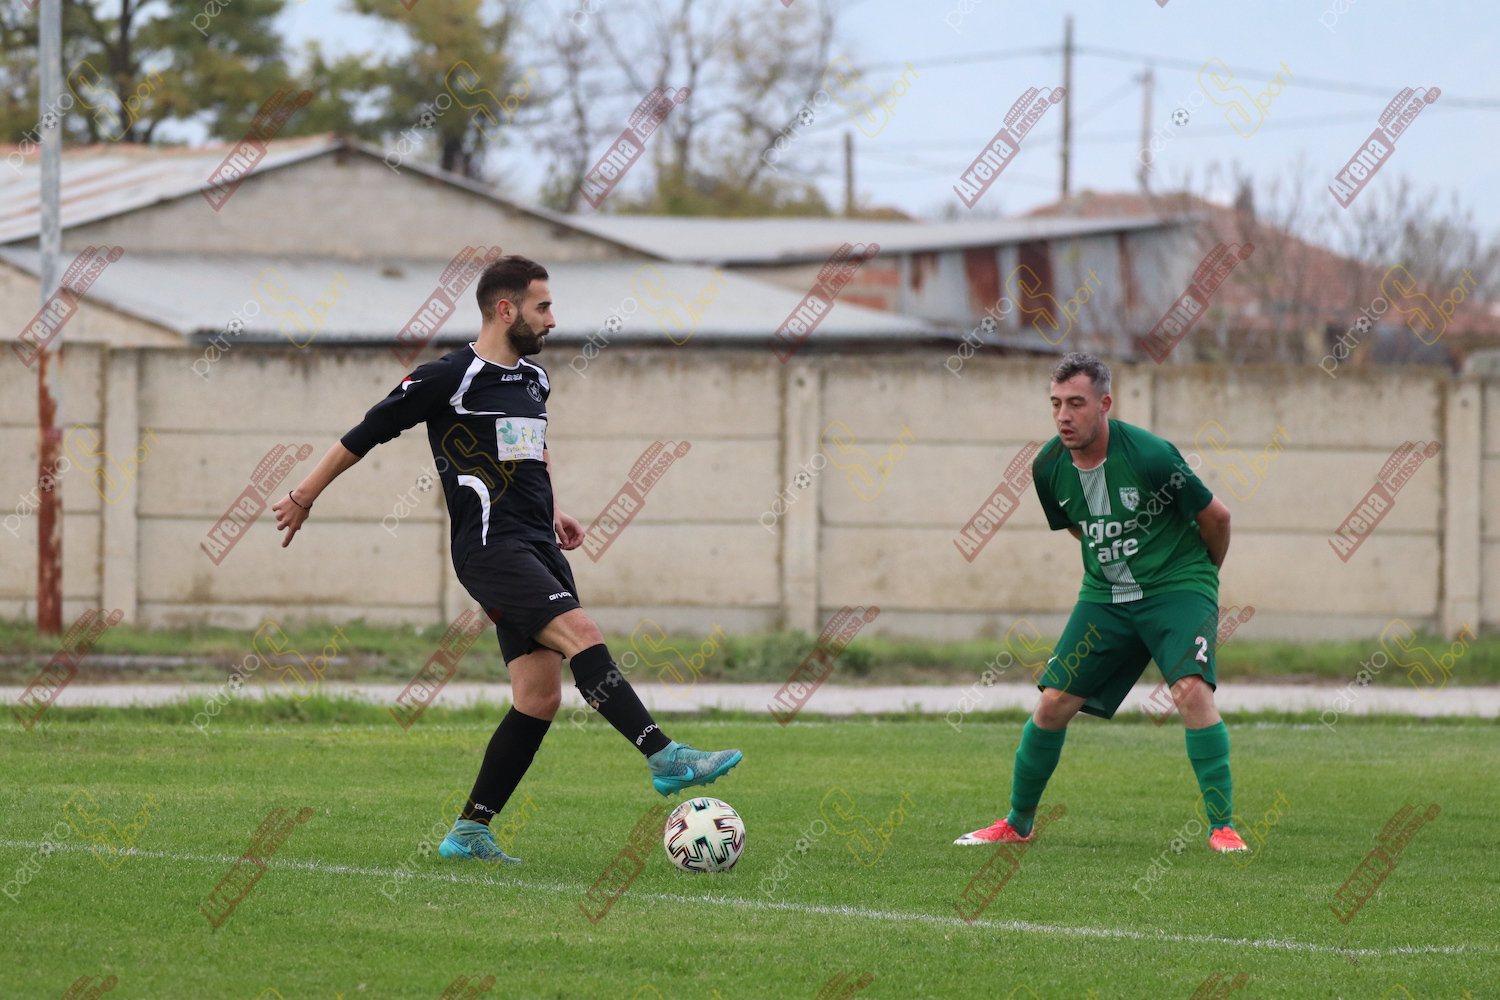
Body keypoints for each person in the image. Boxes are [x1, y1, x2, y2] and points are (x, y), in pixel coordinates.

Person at [270, 254, 742, 866]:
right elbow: (366, 432)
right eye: (542, 307)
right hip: (490, 548)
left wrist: (555, 510)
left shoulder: (535, 380)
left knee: (538, 696)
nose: (552, 319)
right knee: (583, 633)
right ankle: (664, 755)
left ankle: (469, 833)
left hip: (538, 545)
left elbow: (533, 452)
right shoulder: (451, 376)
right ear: (505, 309)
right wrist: (303, 496)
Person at [955, 352, 1247, 853]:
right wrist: (1114, 561)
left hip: (1176, 587)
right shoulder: (1047, 467)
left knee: (1191, 691)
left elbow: (1217, 519)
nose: (1063, 416)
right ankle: (1018, 823)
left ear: (1104, 404)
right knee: (1052, 704)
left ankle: (1222, 827)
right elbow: (1080, 527)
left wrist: (1200, 583)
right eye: (1055, 404)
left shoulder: (1152, 455)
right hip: (1105, 595)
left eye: (1076, 403)